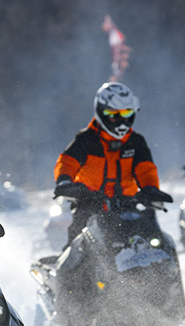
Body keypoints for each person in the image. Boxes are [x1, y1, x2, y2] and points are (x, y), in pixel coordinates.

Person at [53, 81, 171, 246]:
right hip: (90, 204)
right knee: (78, 245)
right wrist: (65, 181)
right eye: (113, 114)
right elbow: (67, 162)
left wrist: (150, 189)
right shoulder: (85, 139)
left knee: (156, 241)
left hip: (127, 205)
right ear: (100, 112)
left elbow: (146, 169)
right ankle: (69, 271)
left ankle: (164, 268)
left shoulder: (135, 142)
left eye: (126, 113)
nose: (121, 120)